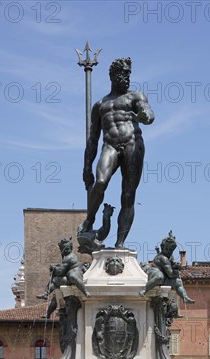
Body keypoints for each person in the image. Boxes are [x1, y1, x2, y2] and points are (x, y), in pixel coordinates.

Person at [81, 57, 155, 248]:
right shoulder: (99, 105)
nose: (127, 77)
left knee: (128, 195)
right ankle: (88, 222)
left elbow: (148, 113)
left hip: (133, 144)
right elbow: (92, 139)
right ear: (113, 75)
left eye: (129, 73)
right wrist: (86, 167)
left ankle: (120, 244)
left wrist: (145, 115)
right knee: (100, 183)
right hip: (110, 145)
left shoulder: (135, 97)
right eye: (124, 73)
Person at [140, 231, 194, 303]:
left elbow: (171, 268)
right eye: (167, 249)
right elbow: (171, 274)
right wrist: (176, 269)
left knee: (178, 282)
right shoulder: (163, 258)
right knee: (159, 277)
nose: (169, 251)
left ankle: (185, 297)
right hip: (154, 273)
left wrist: (176, 267)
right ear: (162, 247)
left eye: (171, 250)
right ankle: (145, 289)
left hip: (165, 276)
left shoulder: (170, 257)